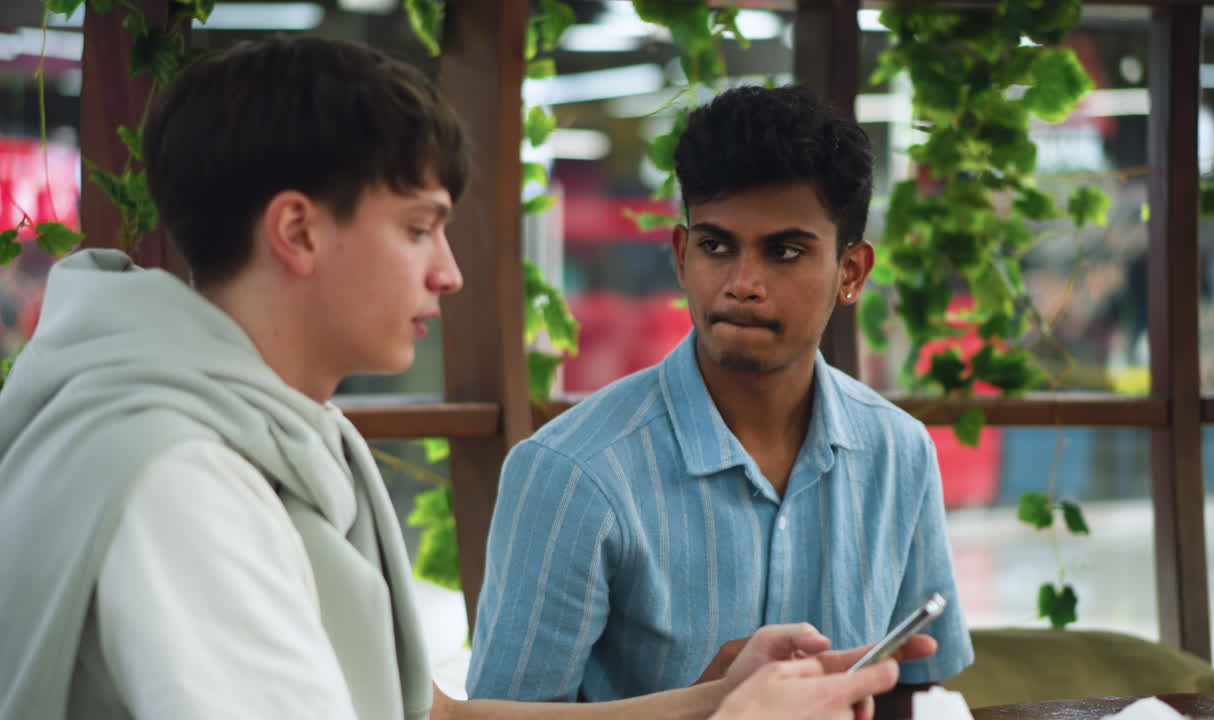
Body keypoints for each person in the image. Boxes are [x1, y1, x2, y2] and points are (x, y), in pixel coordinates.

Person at [0, 37, 928, 720]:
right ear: (298, 231)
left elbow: (433, 717)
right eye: (418, 228)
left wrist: (714, 701)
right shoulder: (185, 479)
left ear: (853, 271)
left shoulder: (282, 436)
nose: (447, 271)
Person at [466, 85, 975, 717]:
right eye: (716, 246)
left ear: (851, 273)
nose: (743, 284)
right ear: (682, 256)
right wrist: (705, 705)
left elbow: (914, 686)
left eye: (784, 251)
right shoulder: (572, 474)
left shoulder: (898, 453)